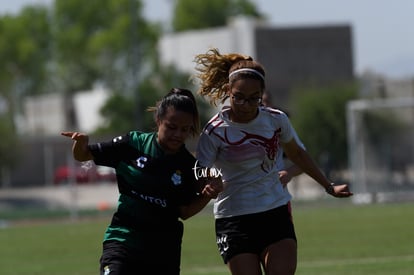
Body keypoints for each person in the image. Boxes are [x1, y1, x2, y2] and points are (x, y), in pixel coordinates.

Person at [193, 48, 353, 275]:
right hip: (233, 219)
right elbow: (200, 168)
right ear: (228, 91)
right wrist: (210, 180)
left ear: (262, 94)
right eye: (239, 97)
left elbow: (298, 154)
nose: (246, 105)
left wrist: (328, 185)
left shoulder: (276, 119)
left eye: (254, 99)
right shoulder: (214, 130)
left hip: (274, 212)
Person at [61, 88, 223, 275]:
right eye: (171, 127)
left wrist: (208, 195)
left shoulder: (188, 166)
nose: (178, 134)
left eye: (185, 129)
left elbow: (184, 211)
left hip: (163, 251)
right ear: (158, 120)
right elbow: (84, 155)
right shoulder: (132, 144)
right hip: (123, 239)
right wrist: (80, 145)